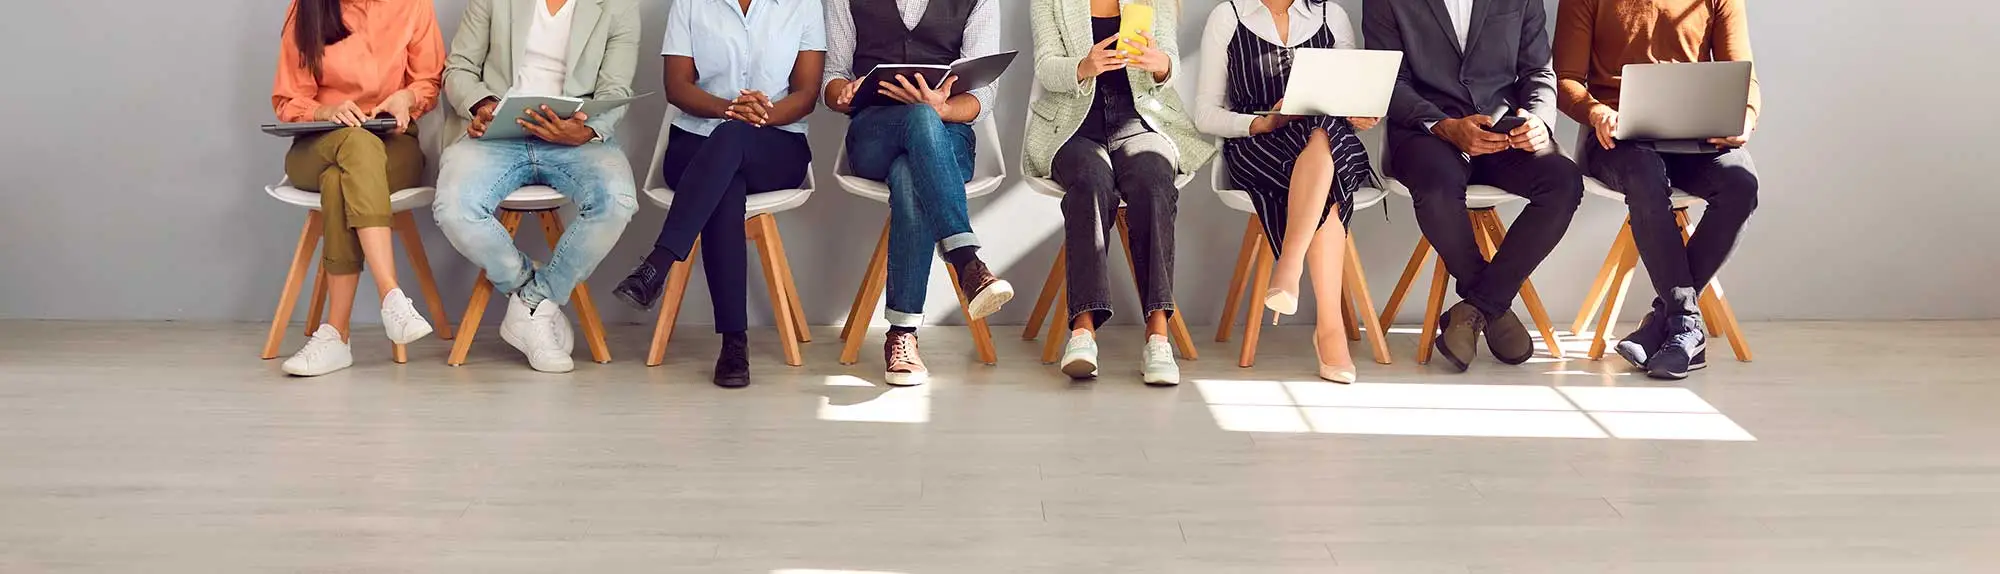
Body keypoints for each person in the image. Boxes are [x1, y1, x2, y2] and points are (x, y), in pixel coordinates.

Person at [608, 0, 827, 388]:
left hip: (776, 147)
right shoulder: (691, 2)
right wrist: (729, 109)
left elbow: (807, 93)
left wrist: (756, 117)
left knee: (732, 143)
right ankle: (733, 344)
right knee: (726, 180)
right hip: (694, 147)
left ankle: (658, 264)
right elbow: (676, 86)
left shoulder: (803, 4)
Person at [1364, 0, 1584, 373]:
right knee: (1437, 184)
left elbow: (1538, 71)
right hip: (1426, 131)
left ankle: (1479, 305)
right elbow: (1389, 81)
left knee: (1563, 180)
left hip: (1505, 129)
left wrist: (1538, 121)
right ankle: (1491, 303)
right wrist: (1444, 125)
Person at [1555, 0, 1761, 380]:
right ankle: (1685, 325)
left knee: (1740, 184)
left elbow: (1744, 75)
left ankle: (1663, 320)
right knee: (1645, 177)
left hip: (1695, 134)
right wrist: (1597, 111)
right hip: (1616, 140)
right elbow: (1565, 80)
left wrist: (1745, 117)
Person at [433, 0, 641, 373]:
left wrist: (587, 130)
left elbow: (614, 89)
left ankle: (531, 303)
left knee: (617, 200)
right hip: (497, 135)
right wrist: (481, 104)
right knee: (453, 206)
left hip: (574, 139)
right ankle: (535, 301)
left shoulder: (619, 6)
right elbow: (459, 68)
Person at [822, 0, 1014, 387]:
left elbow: (985, 94)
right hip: (875, 133)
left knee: (910, 172)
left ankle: (902, 334)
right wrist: (844, 92)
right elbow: (832, 79)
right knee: (917, 124)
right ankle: (965, 260)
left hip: (947, 136)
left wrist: (940, 108)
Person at [1026, 0, 1213, 386]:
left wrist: (1158, 63)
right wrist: (1084, 66)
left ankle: (1158, 335)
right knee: (1091, 183)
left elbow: (1170, 65)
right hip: (1075, 125)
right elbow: (1045, 66)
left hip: (1142, 123)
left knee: (1153, 181)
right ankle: (1082, 333)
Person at [1193, 0, 1377, 384]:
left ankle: (1289, 266)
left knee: (1325, 135)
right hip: (1260, 144)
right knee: (1328, 183)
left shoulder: (1332, 16)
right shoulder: (1229, 17)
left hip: (1329, 141)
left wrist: (1361, 111)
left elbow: (1351, 95)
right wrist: (1265, 121)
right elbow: (1205, 114)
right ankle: (1330, 332)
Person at [271, 0, 444, 377]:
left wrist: (408, 97)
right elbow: (287, 100)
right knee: (354, 145)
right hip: (318, 145)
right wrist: (324, 111)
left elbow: (428, 81)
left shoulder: (413, 5)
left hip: (393, 144)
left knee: (342, 177)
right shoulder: (308, 8)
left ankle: (335, 336)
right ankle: (391, 295)